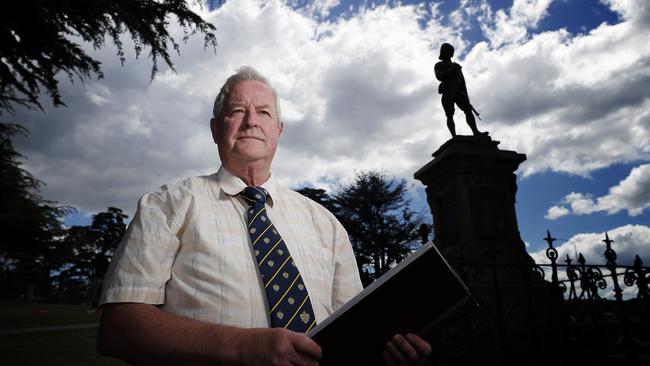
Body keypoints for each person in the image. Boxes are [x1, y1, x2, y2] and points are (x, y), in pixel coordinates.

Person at [97, 66, 432, 366]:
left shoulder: (326, 224)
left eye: (263, 112)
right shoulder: (166, 205)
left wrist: (386, 350)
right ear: (216, 129)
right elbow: (119, 329)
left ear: (279, 130)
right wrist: (244, 348)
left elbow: (354, 330)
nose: (251, 121)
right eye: (238, 110)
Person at [434, 43, 487, 137]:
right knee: (449, 115)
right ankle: (454, 136)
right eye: (450, 50)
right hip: (447, 92)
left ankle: (475, 132)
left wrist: (466, 97)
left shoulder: (457, 66)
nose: (452, 52)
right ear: (445, 52)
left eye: (452, 50)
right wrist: (452, 69)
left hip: (459, 91)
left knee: (468, 110)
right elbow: (439, 76)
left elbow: (462, 82)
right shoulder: (439, 65)